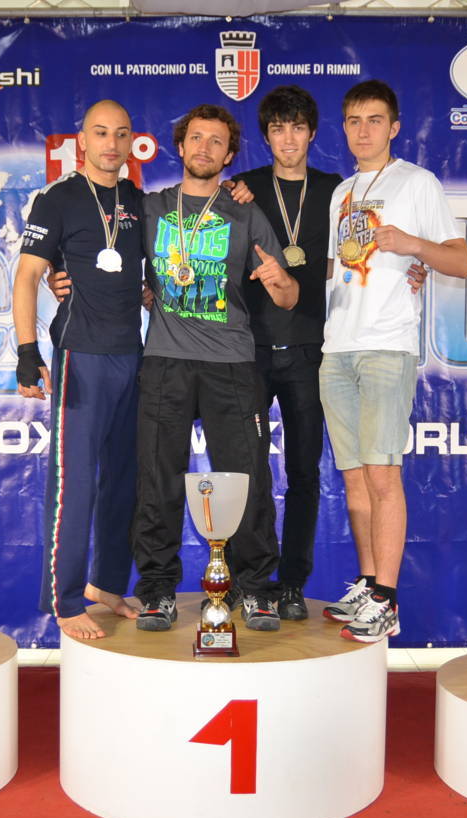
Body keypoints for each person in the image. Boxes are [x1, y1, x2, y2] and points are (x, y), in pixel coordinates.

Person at [133, 103, 298, 633]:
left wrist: (279, 281)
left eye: (217, 142)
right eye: (197, 138)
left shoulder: (245, 213)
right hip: (165, 361)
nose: (204, 148)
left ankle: (257, 590)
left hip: (232, 364)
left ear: (229, 156)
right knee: (156, 478)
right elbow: (110, 264)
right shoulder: (150, 208)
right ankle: (157, 591)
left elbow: (289, 296)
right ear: (180, 146)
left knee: (247, 480)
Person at [320, 80, 467, 642]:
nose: (363, 130)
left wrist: (413, 246)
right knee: (355, 477)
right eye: (354, 121)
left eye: (375, 120)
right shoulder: (342, 193)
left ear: (395, 127)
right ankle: (367, 584)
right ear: (344, 127)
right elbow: (339, 268)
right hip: (337, 347)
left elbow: (462, 262)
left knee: (384, 475)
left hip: (387, 345)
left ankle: (386, 600)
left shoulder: (417, 182)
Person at [14, 100, 145, 640]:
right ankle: (66, 600)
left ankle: (107, 585)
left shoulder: (138, 200)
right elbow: (28, 276)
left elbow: (147, 270)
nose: (111, 144)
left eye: (121, 133)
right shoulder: (59, 198)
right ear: (83, 141)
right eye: (100, 133)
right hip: (80, 356)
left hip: (132, 355)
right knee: (76, 483)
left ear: (131, 141)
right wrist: (27, 353)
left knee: (125, 481)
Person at [228, 86, 341, 621]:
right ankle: (247, 578)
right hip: (249, 348)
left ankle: (292, 582)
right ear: (266, 135)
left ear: (312, 133)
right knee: (247, 473)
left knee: (303, 473)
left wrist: (409, 269)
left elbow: (360, 252)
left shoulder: (336, 191)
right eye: (278, 128)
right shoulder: (243, 188)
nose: (288, 138)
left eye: (297, 127)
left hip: (309, 348)